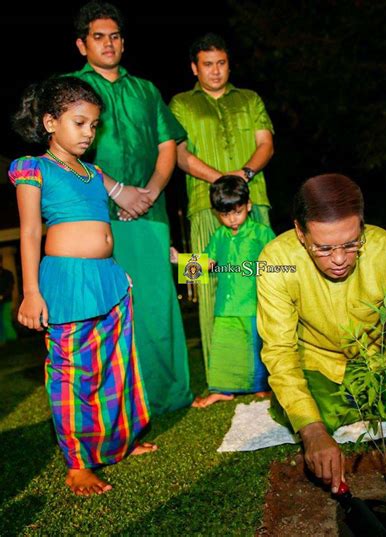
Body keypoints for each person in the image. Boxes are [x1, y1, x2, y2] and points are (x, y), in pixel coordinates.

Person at [257, 174, 386, 537]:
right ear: (300, 233)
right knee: (298, 413)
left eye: (351, 244)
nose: (339, 259)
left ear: (363, 229)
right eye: (323, 248)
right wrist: (311, 430)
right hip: (318, 369)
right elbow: (279, 351)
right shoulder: (275, 261)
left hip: (379, 366)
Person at [9, 76, 156, 496]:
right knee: (74, 375)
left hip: (109, 279)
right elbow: (31, 231)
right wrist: (32, 291)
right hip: (66, 282)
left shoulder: (93, 172)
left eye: (94, 125)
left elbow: (121, 203)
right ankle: (77, 464)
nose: (89, 133)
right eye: (80, 123)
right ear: (50, 122)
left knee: (116, 369)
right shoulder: (33, 168)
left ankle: (116, 444)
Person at [69, 1, 193, 415]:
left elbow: (166, 147)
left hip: (150, 212)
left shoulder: (146, 89)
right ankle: (118, 405)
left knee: (157, 304)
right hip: (93, 214)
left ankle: (168, 395)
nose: (108, 43)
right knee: (108, 310)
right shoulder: (71, 88)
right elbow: (65, 149)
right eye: (98, 37)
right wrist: (118, 190)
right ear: (82, 44)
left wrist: (150, 193)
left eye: (115, 36)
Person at [169, 32, 274, 371]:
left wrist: (243, 174)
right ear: (194, 68)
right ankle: (224, 376)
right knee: (207, 281)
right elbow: (180, 155)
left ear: (229, 64)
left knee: (263, 279)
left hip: (253, 199)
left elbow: (266, 145)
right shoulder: (181, 103)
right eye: (207, 64)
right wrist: (221, 180)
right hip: (205, 204)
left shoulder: (250, 99)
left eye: (221, 63)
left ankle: (269, 367)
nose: (215, 71)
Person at [192, 176, 275, 407]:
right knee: (225, 349)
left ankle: (263, 388)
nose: (231, 219)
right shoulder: (219, 235)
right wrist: (181, 262)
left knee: (256, 349)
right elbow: (206, 264)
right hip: (225, 305)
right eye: (225, 215)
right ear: (216, 213)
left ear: (248, 206)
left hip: (253, 303)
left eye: (237, 212)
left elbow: (277, 260)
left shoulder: (261, 232)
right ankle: (223, 390)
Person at [0, 254, 17, 345]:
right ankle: (3, 340)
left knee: (6, 319)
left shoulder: (7, 274)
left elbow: (10, 287)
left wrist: (3, 295)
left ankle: (12, 339)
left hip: (6, 300)